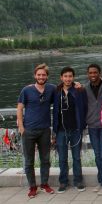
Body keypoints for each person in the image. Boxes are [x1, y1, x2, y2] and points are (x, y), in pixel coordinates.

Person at [17, 63, 55, 198]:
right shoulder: (26, 90)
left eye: (43, 75)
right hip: (29, 131)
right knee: (29, 161)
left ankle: (44, 184)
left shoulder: (52, 89)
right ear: (35, 75)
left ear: (47, 76)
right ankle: (32, 187)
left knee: (45, 160)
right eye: (39, 74)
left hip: (45, 130)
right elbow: (20, 108)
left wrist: (77, 85)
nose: (41, 77)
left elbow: (66, 89)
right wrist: (21, 127)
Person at [52, 67, 88, 193]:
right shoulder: (56, 91)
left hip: (76, 129)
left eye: (70, 76)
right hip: (61, 130)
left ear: (73, 77)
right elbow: (42, 90)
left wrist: (83, 125)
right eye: (65, 76)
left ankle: (78, 181)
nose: (68, 78)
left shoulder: (79, 90)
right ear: (61, 77)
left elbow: (85, 107)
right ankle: (63, 182)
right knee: (62, 158)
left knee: (76, 157)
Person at [84, 64, 102, 195]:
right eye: (90, 73)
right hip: (92, 125)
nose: (93, 75)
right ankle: (101, 181)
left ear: (100, 73)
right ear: (87, 74)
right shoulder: (84, 88)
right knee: (98, 154)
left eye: (95, 72)